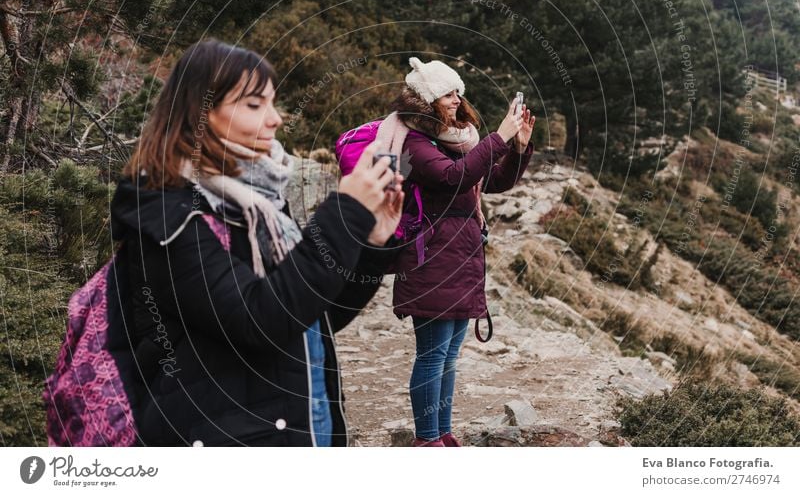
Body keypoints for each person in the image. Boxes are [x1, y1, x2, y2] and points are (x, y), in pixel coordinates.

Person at [110, 39, 404, 446]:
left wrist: (371, 244)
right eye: (254, 105)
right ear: (200, 113)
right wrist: (344, 213)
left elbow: (312, 317)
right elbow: (261, 319)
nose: (276, 119)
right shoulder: (167, 212)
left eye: (273, 102)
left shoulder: (256, 201)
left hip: (298, 422)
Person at [383, 57, 535, 447]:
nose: (457, 99)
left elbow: (491, 181)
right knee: (432, 356)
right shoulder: (415, 143)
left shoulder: (457, 138)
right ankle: (426, 439)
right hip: (431, 257)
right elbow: (455, 177)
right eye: (449, 93)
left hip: (460, 255)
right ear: (429, 98)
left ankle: (443, 434)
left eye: (457, 92)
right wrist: (497, 138)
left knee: (449, 356)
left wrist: (516, 149)